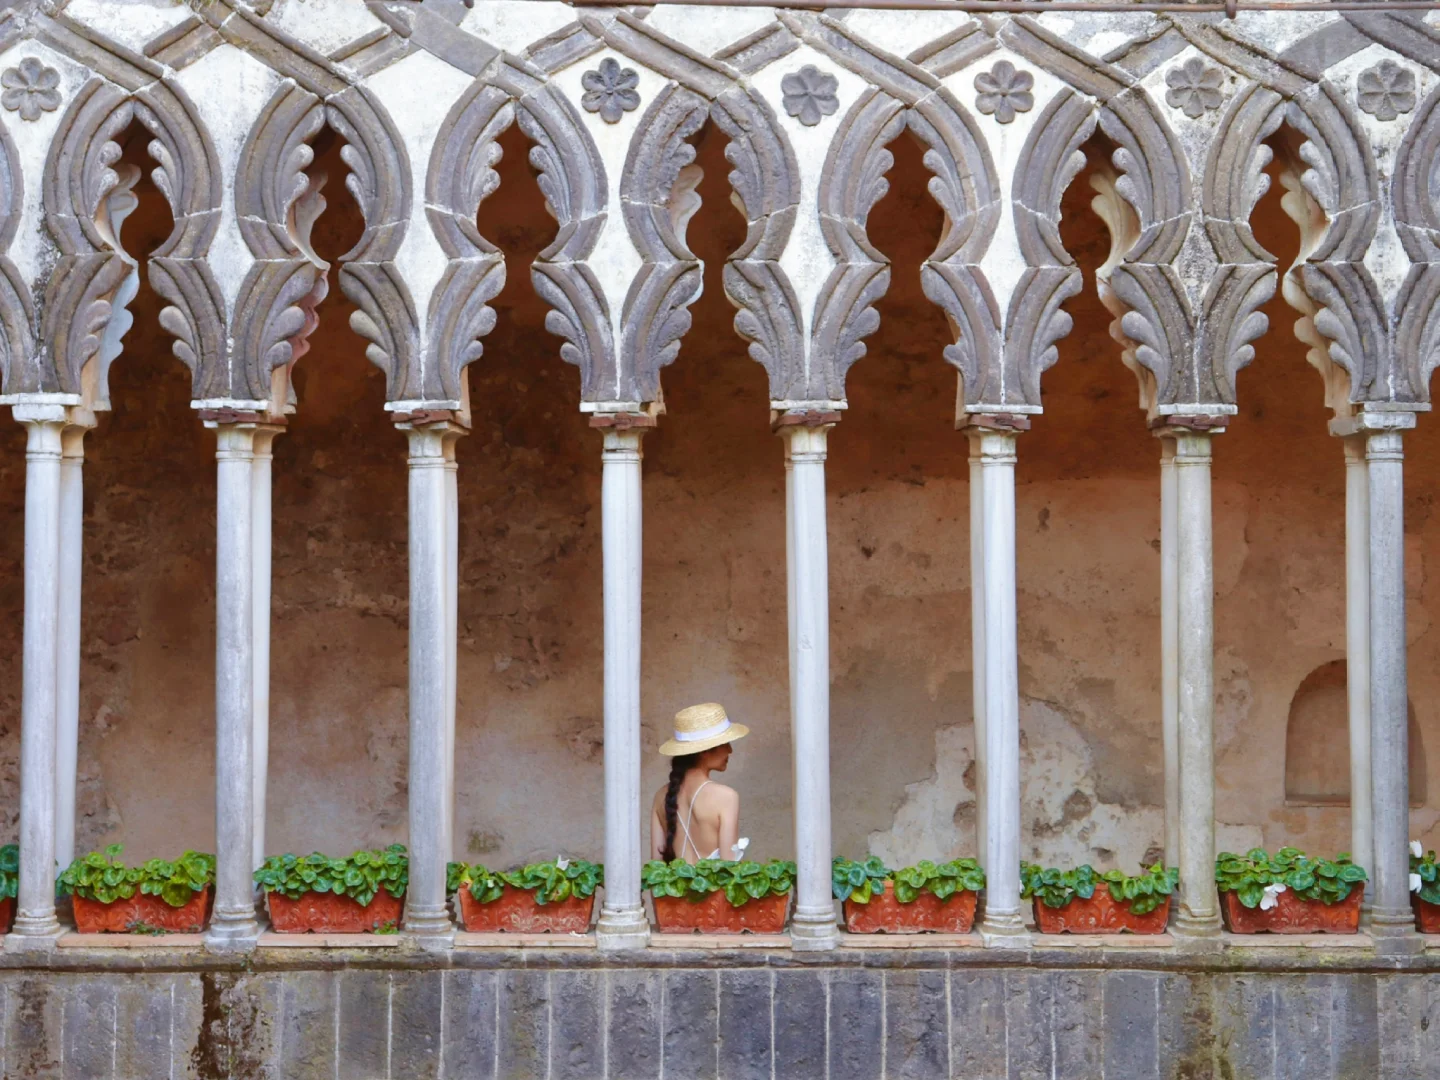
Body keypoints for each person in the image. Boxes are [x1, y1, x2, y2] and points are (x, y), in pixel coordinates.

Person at [651, 703, 749, 862]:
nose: (730, 751)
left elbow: (656, 871)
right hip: (715, 888)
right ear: (704, 750)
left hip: (674, 888)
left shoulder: (660, 796)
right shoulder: (726, 797)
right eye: (725, 744)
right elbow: (729, 867)